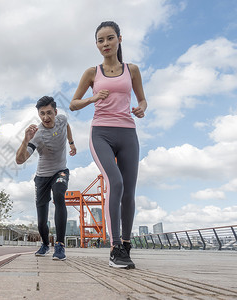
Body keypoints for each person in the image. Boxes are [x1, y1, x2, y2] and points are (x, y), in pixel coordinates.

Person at [70, 21, 147, 269]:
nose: (105, 44)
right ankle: (114, 248)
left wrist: (141, 109)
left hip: (128, 134)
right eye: (101, 40)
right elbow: (73, 103)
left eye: (110, 38)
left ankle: (126, 244)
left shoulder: (132, 70)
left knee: (129, 192)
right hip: (101, 132)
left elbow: (143, 99)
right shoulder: (92, 73)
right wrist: (92, 97)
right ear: (96, 44)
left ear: (119, 40)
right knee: (115, 182)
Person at [16, 96, 76, 261]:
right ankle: (44, 244)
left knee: (59, 194)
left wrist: (71, 143)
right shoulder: (37, 135)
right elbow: (20, 160)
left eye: (49, 113)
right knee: (42, 221)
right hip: (42, 176)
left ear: (56, 112)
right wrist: (25, 140)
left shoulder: (62, 120)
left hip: (60, 171)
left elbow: (67, 127)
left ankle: (60, 245)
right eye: (42, 114)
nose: (45, 117)